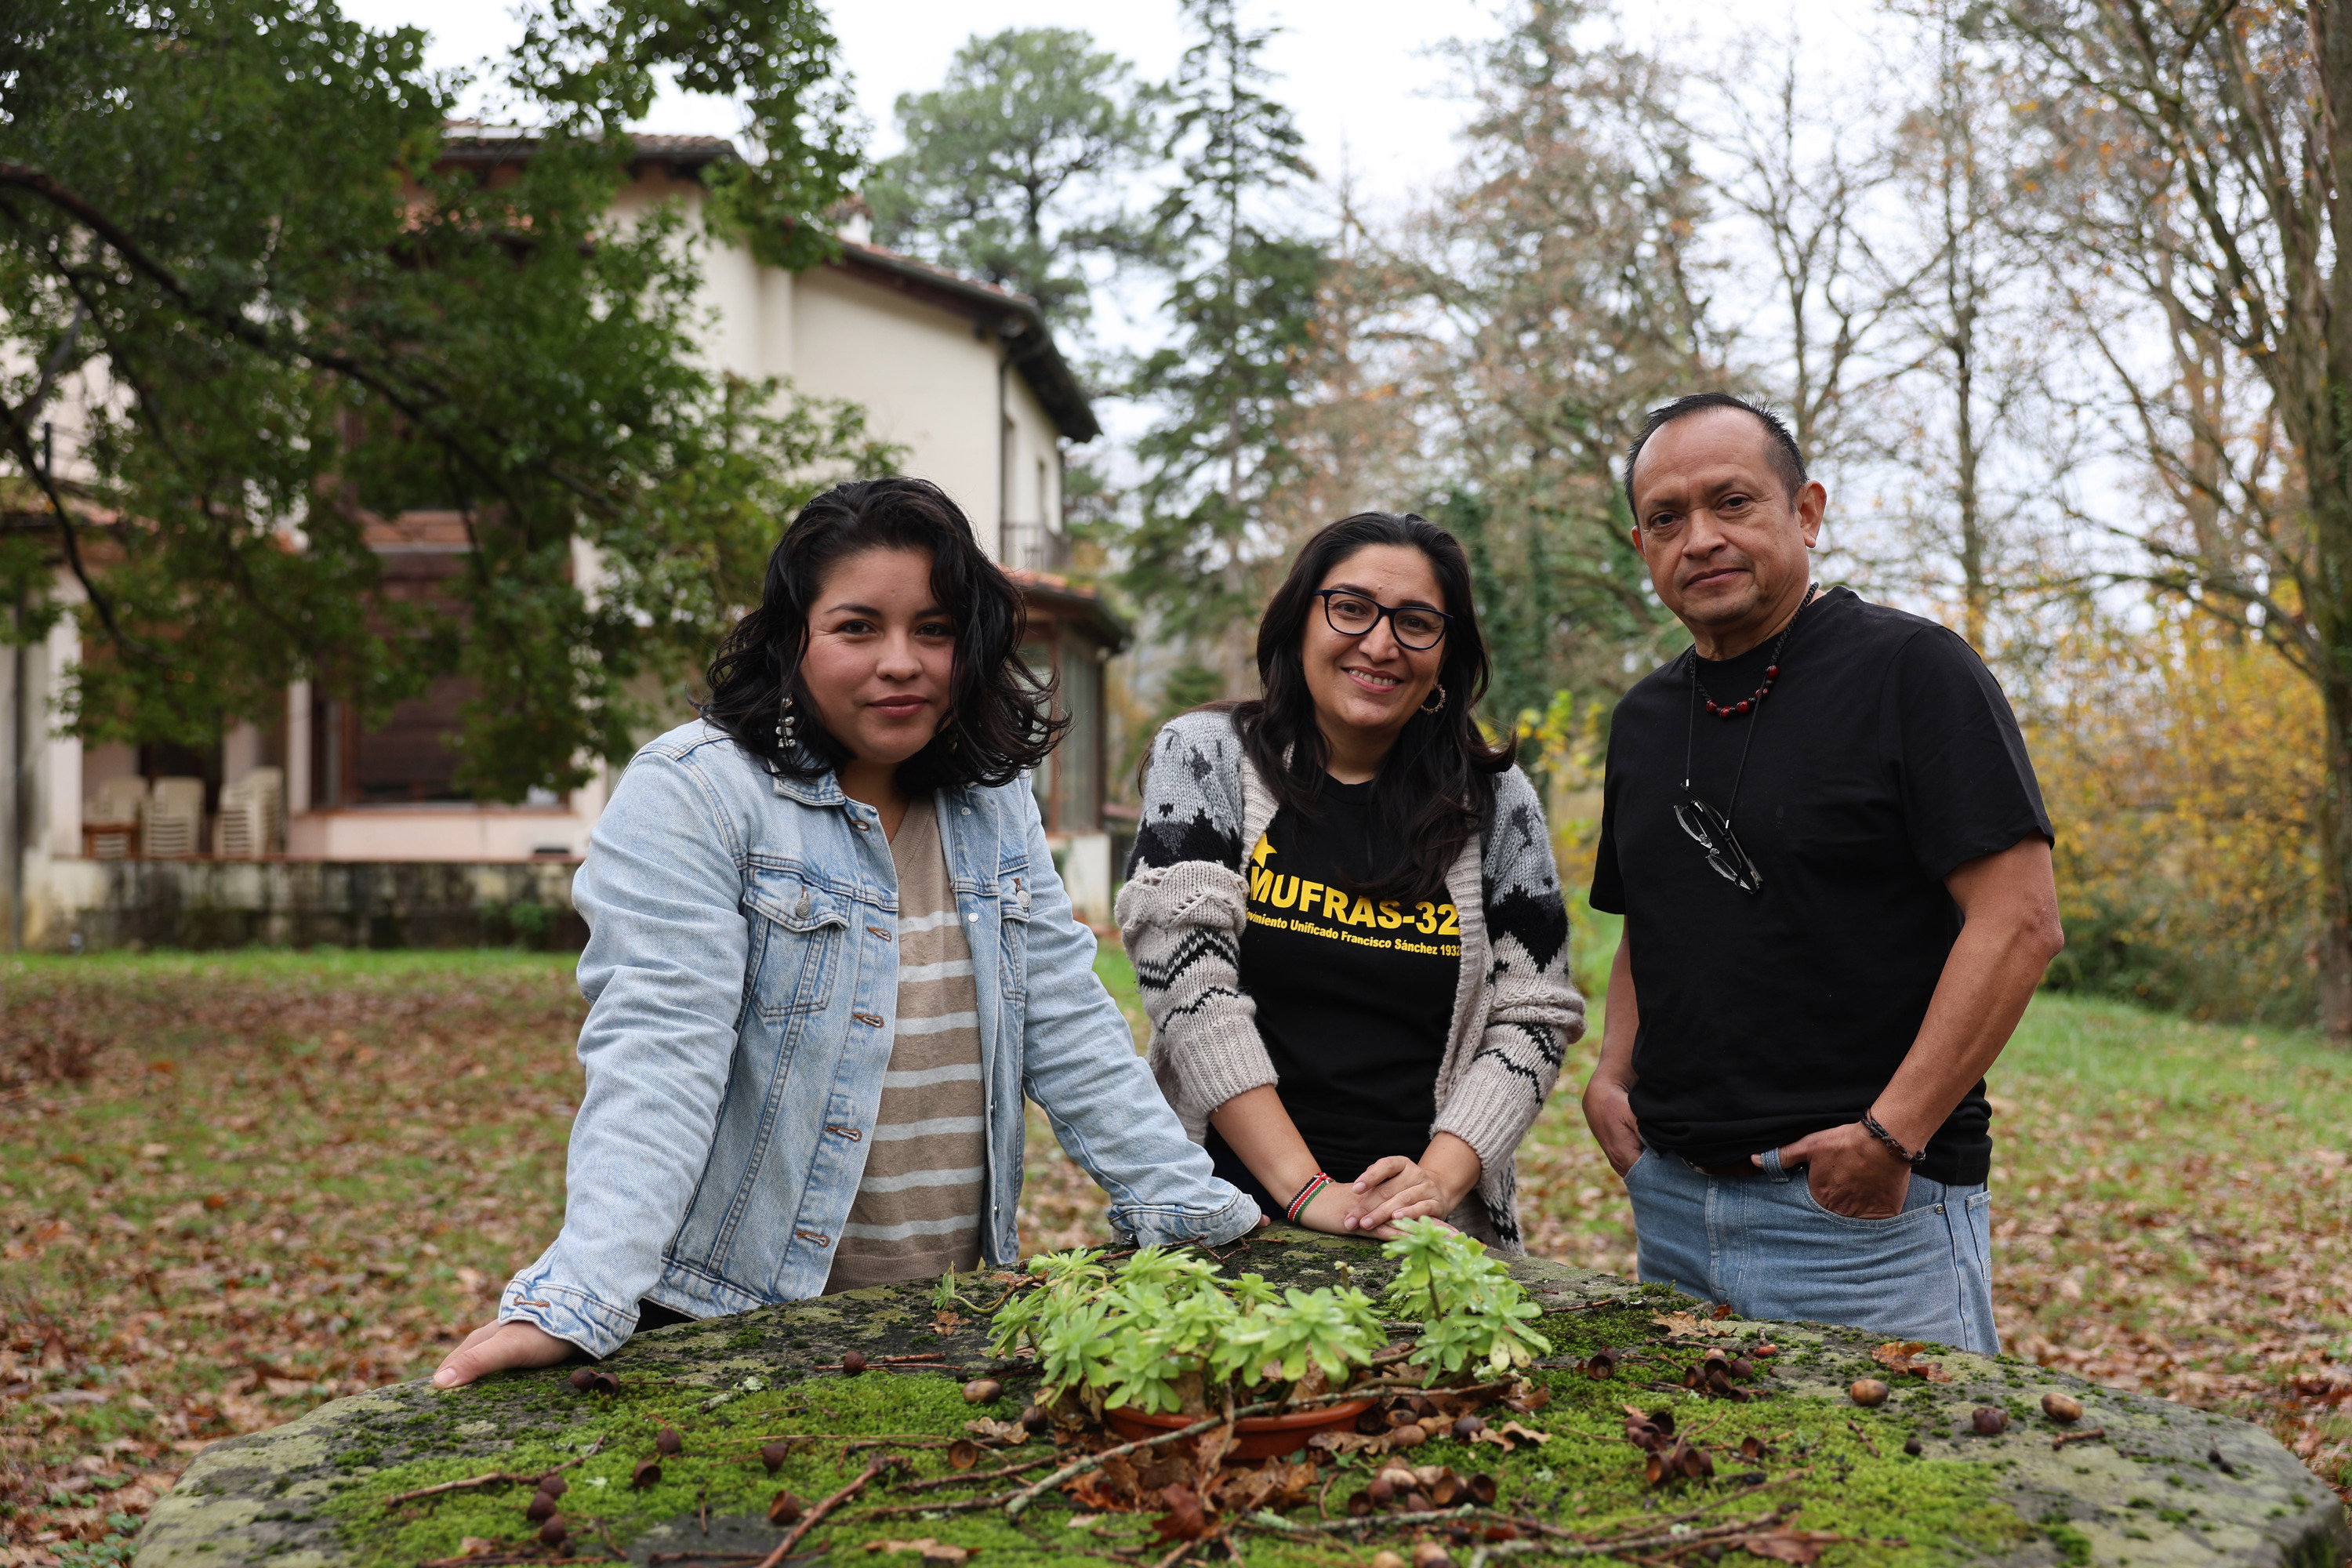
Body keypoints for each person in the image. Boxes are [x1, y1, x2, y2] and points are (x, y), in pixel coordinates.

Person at [433, 478, 1259, 1388]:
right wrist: (580, 1294)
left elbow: (1065, 1021)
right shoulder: (694, 794)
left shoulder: (991, 801)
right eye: (858, 627)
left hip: (943, 1315)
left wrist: (1193, 1210)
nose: (901, 661)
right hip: (732, 1320)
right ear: (795, 639)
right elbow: (659, 1052)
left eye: (934, 630)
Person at [1581, 393, 2063, 1353]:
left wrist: (1889, 1138)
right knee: (1722, 1500)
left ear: (1805, 511)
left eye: (1734, 502)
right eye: (1669, 518)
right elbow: (1652, 913)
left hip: (1863, 1224)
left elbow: (2018, 922)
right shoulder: (1643, 719)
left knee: (1913, 1500)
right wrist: (1608, 1078)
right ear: (1642, 546)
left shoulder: (1913, 672)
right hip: (1673, 1212)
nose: (1702, 537)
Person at [1117, 512, 1586, 1249]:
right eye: (1352, 608)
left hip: (1429, 1236)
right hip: (1222, 1221)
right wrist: (1309, 1192)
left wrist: (1435, 1184)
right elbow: (1187, 983)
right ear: (1300, 619)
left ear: (1445, 654)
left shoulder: (1495, 803)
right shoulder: (1206, 757)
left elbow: (1536, 1010)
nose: (1380, 643)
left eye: (1416, 622)